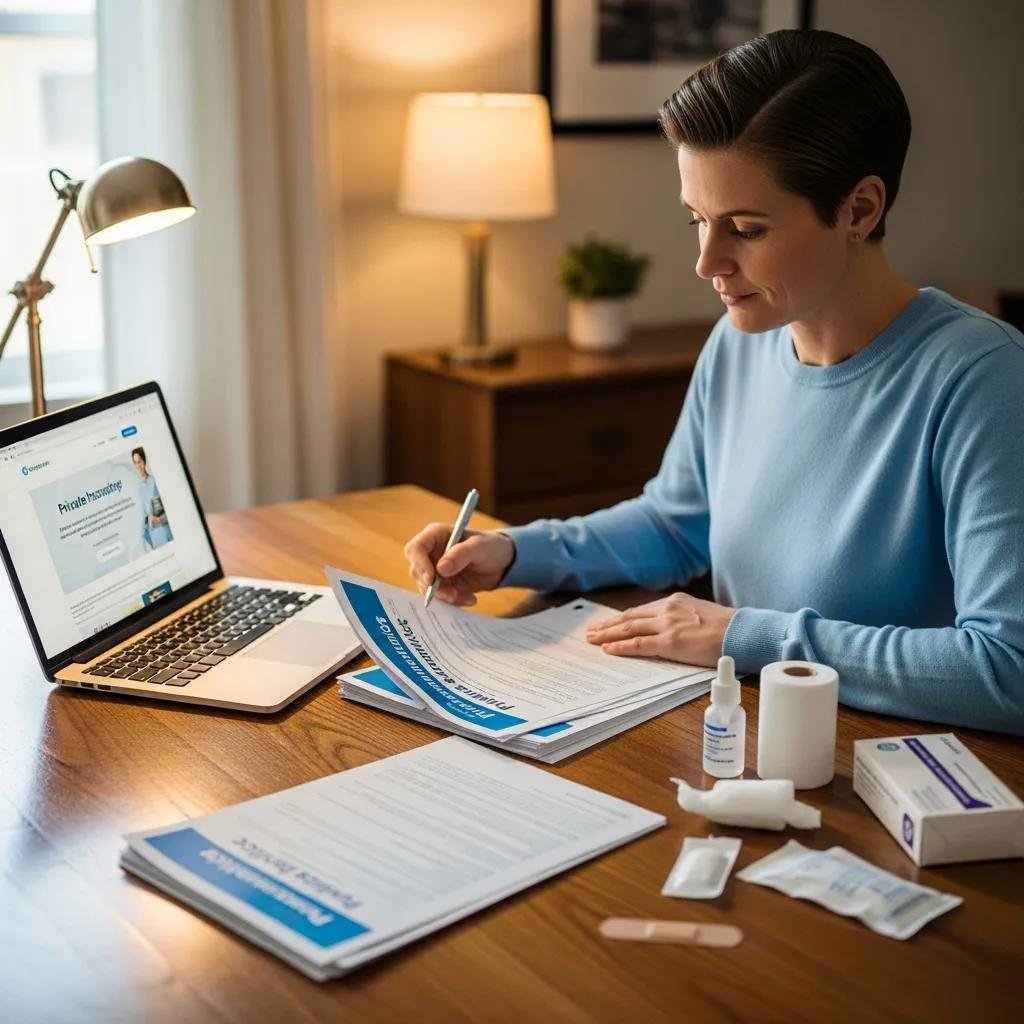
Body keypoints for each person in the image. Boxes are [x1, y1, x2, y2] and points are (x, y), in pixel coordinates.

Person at [404, 30, 1024, 736]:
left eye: (746, 229)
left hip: (900, 781)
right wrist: (517, 551)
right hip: (749, 747)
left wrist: (744, 637)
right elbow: (675, 524)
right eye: (697, 220)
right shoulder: (740, 342)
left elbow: (1007, 669)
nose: (707, 262)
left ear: (860, 209)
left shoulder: (986, 383)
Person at [131, 446, 173, 550]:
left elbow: (172, 507)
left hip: (164, 532)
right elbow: (144, 516)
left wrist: (161, 520)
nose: (137, 465)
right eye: (135, 462)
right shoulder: (140, 488)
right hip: (154, 539)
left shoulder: (155, 481)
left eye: (139, 461)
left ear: (144, 461)